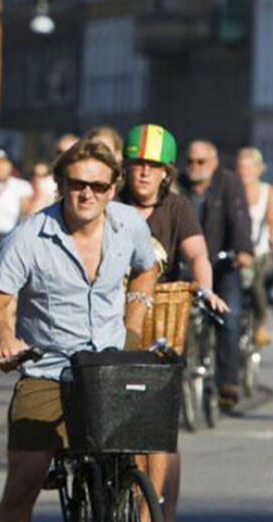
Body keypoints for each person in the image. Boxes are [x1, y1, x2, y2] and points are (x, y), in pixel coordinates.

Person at [0, 138, 157, 521]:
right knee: (23, 484)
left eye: (97, 186)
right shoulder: (28, 238)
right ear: (61, 184)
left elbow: (147, 268)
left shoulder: (128, 224)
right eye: (78, 184)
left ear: (112, 189)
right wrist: (4, 336)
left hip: (109, 364)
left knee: (145, 455)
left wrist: (133, 324)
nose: (87, 193)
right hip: (50, 368)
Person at [119, 124, 227, 521]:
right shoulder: (111, 203)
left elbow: (198, 254)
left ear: (167, 172)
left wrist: (205, 288)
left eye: (153, 165)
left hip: (163, 321)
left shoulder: (176, 208)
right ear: (126, 169)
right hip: (112, 318)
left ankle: (166, 510)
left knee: (163, 427)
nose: (144, 173)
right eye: (137, 164)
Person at [177, 139, 253, 411]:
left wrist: (242, 250)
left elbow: (240, 218)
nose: (195, 167)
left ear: (214, 163)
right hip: (188, 265)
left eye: (201, 162)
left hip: (222, 264)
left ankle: (227, 383)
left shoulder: (228, 183)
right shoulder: (179, 186)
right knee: (176, 322)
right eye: (190, 161)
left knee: (228, 318)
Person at [235, 146, 273, 346]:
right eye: (241, 168)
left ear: (259, 169)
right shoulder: (232, 193)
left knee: (256, 281)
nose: (244, 173)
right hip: (237, 251)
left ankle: (260, 324)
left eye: (249, 168)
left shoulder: (268, 192)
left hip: (261, 253)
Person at [0, 147, 33, 236]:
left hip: (11, 235)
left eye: (3, 162)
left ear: (11, 165)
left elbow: (28, 214)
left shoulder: (21, 186)